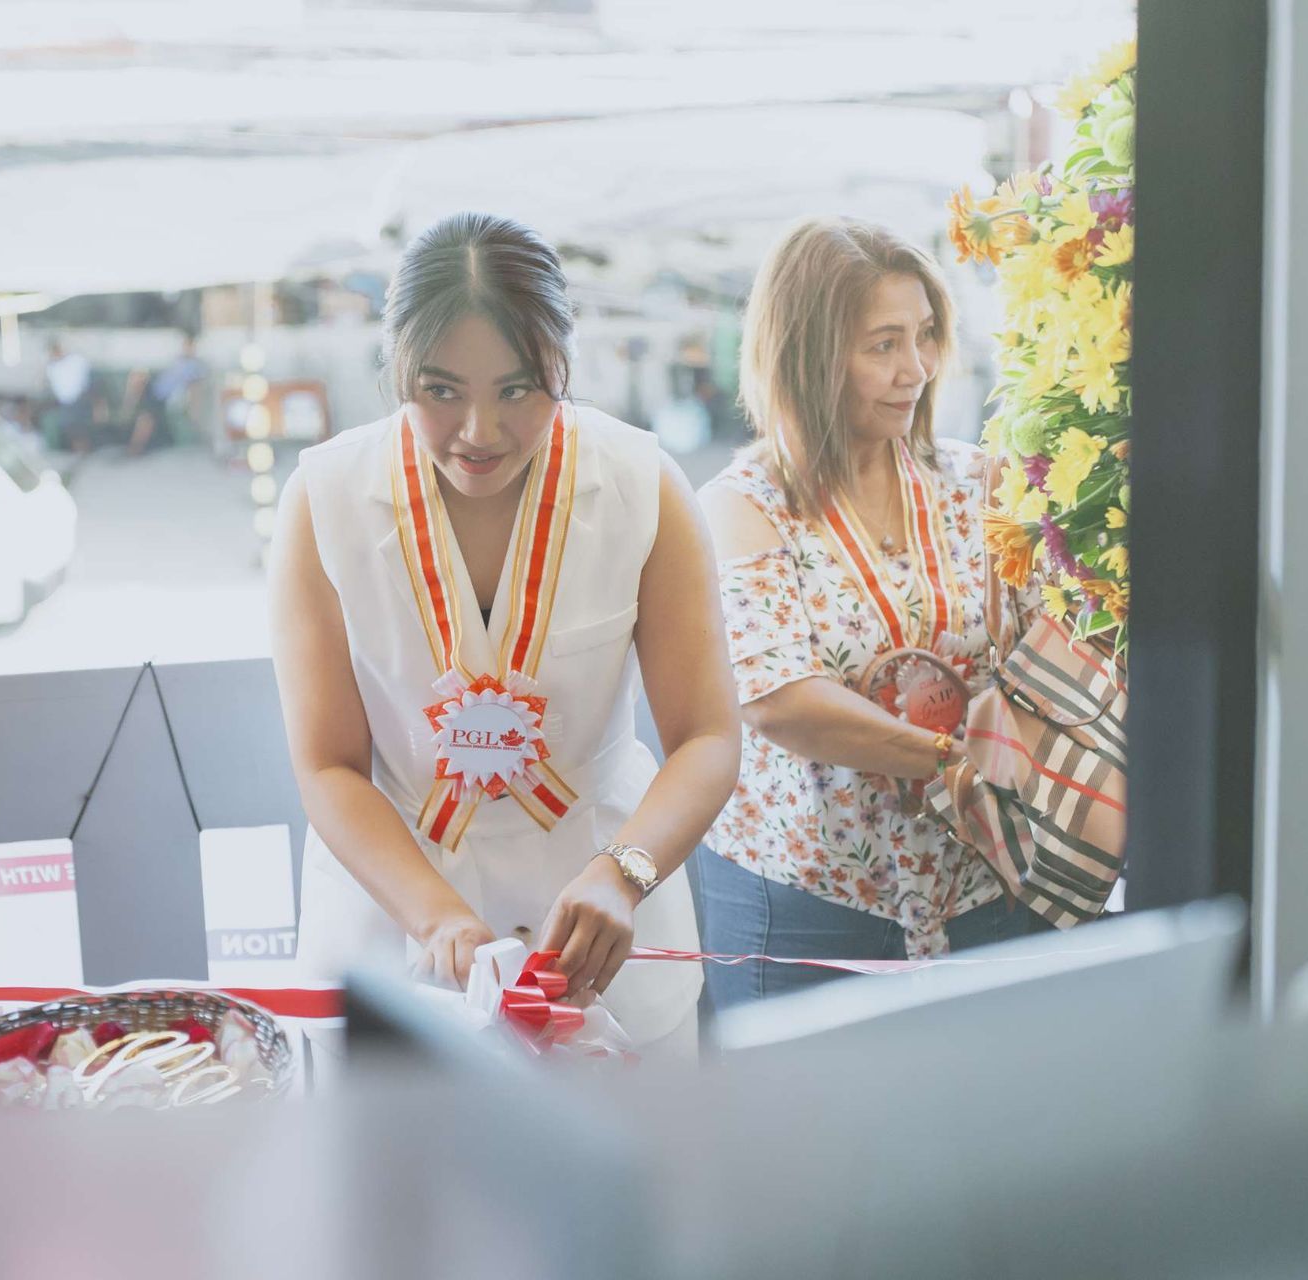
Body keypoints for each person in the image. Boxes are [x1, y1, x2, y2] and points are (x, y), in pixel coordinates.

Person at [271, 213, 740, 1057]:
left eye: (518, 389)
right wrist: (436, 918)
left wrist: (626, 872)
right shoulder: (323, 502)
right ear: (396, 369)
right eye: (441, 391)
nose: (479, 433)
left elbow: (706, 735)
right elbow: (328, 765)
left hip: (604, 928)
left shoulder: (644, 487)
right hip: (395, 921)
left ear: (563, 364)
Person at [696, 216, 1046, 1011]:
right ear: (808, 355)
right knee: (807, 1132)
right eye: (882, 344)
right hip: (809, 903)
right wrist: (963, 763)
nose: (916, 369)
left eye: (925, 336)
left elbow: (1043, 642)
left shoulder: (976, 483)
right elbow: (782, 703)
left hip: (982, 884)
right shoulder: (741, 509)